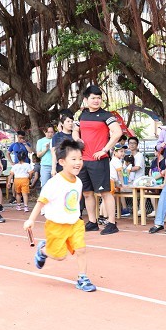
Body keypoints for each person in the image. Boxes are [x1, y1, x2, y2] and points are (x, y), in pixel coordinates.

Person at [23, 139, 97, 292]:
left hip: (75, 223)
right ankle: (43, 251)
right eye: (74, 159)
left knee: (81, 249)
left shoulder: (78, 182)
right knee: (59, 256)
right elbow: (41, 202)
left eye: (80, 159)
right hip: (56, 225)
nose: (78, 163)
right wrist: (31, 220)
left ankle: (82, 278)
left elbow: (76, 201)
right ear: (62, 162)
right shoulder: (54, 183)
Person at [72, 85, 122, 235]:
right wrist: (77, 139)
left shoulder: (106, 115)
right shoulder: (81, 115)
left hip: (99, 160)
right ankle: (92, 222)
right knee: (87, 193)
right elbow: (75, 130)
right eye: (93, 98)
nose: (96, 100)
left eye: (99, 98)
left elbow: (117, 132)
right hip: (83, 160)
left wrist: (104, 150)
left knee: (105, 192)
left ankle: (112, 223)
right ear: (86, 99)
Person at [51, 112, 74, 176]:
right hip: (61, 166)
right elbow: (54, 153)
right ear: (62, 124)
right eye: (68, 121)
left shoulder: (75, 135)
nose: (70, 123)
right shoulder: (57, 136)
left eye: (72, 121)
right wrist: (53, 168)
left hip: (74, 166)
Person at [36, 124, 54, 188]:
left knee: (55, 187)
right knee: (44, 186)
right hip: (45, 166)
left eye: (52, 132)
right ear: (44, 132)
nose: (50, 134)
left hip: (55, 165)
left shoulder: (55, 140)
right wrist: (46, 149)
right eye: (48, 132)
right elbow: (38, 155)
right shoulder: (40, 141)